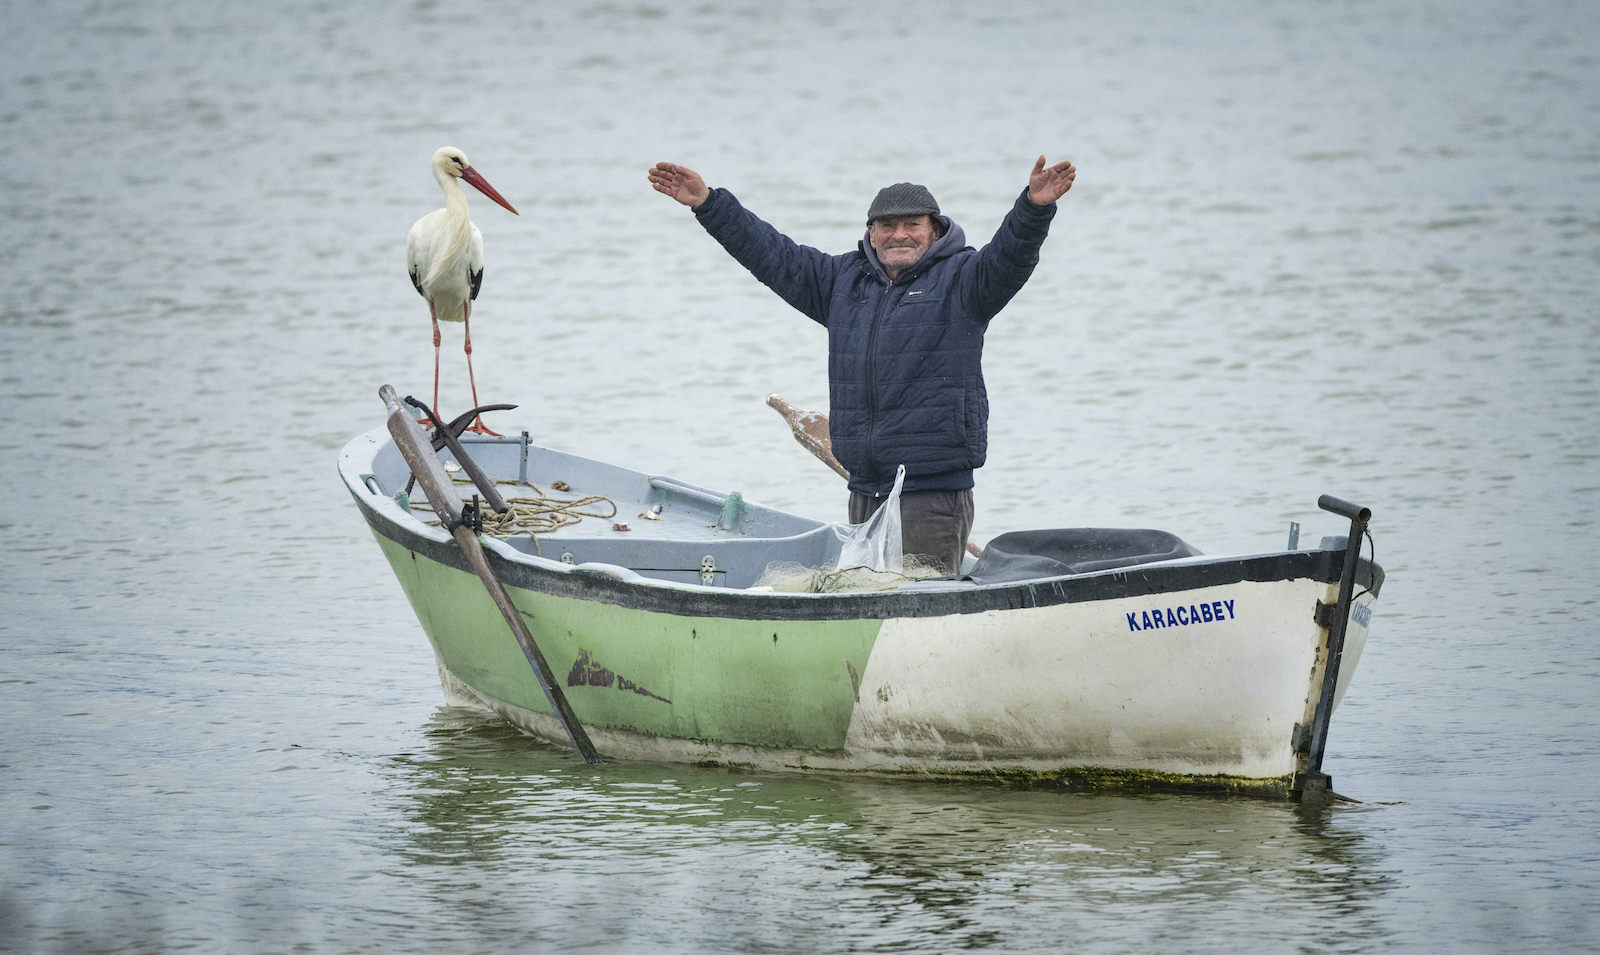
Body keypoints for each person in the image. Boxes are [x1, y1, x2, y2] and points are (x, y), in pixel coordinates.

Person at [648, 156, 1076, 574]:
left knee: (921, 614)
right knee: (872, 607)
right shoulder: (841, 282)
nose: (899, 235)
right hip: (865, 489)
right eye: (887, 226)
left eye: (913, 225)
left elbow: (1011, 256)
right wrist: (708, 203)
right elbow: (770, 254)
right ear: (871, 234)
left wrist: (1034, 208)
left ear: (935, 230)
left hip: (932, 493)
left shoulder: (964, 281)